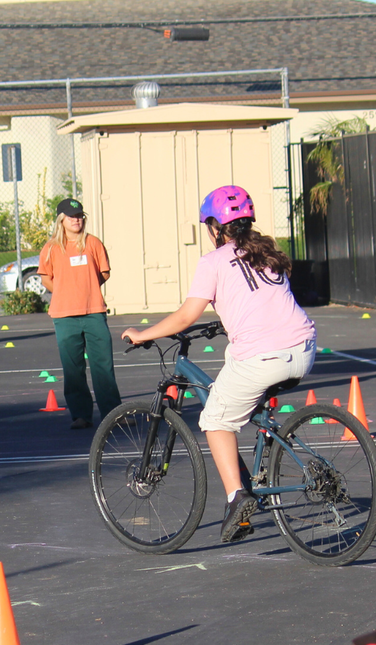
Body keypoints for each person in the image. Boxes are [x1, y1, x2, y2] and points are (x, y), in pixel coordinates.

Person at [121, 185, 317, 543]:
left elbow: (184, 317)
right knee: (239, 371)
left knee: (214, 418)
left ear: (214, 227)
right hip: (304, 349)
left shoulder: (213, 262)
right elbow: (263, 302)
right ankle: (265, 457)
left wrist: (143, 334)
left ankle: (236, 498)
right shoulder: (268, 252)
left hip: (264, 357)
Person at [36, 198, 122, 430]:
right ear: (61, 219)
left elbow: (104, 273)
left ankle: (112, 413)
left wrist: (86, 289)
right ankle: (81, 415)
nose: (76, 219)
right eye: (71, 216)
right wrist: (66, 292)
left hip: (93, 312)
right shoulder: (52, 247)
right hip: (64, 316)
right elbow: (46, 278)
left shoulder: (92, 243)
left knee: (103, 365)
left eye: (79, 216)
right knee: (72, 368)